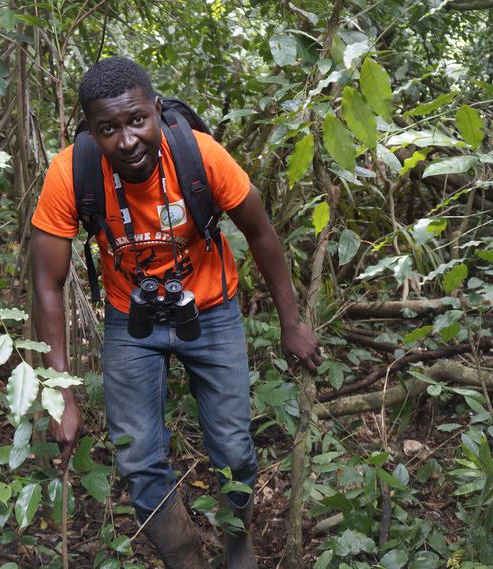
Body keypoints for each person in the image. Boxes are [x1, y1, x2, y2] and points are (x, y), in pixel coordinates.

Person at [31, 57, 320, 569]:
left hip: (211, 309)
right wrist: (61, 393)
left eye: (137, 120)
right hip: (130, 318)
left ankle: (237, 545)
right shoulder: (70, 173)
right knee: (138, 456)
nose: (127, 141)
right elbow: (47, 283)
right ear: (91, 131)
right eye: (108, 129)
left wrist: (291, 323)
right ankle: (185, 559)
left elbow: (260, 233)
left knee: (233, 447)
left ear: (157, 111)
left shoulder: (199, 155)